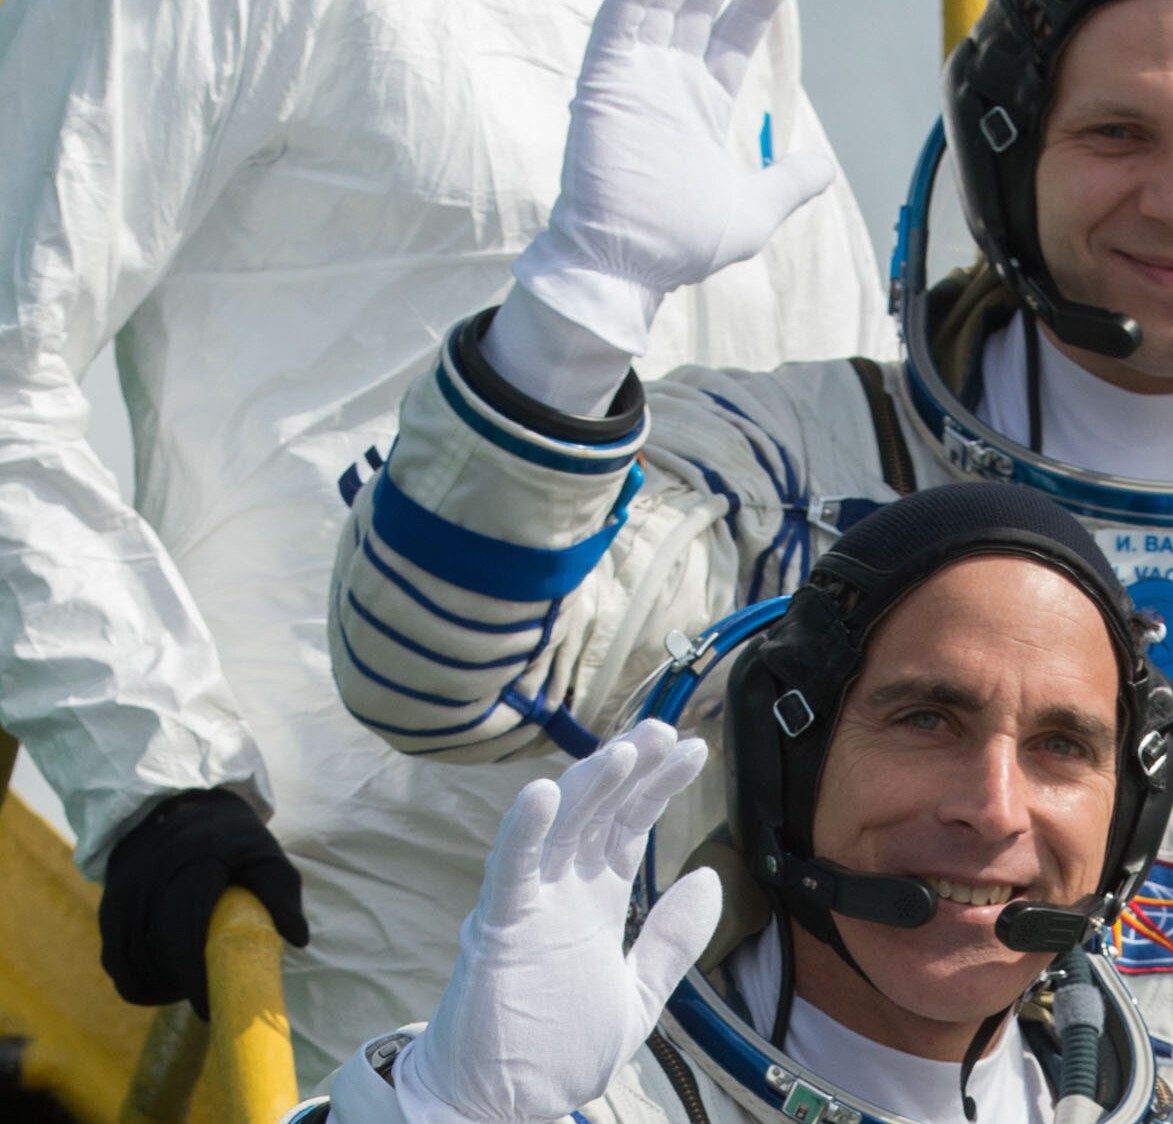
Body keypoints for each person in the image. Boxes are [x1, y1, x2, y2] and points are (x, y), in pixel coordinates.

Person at [331, 0, 1173, 1120]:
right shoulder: (786, 470)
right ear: (1006, 155)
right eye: (1116, 133)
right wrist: (581, 302)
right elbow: (431, 674)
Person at [0, 0, 893, 1081]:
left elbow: (857, 461)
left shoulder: (744, 32)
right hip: (350, 902)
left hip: (740, 934)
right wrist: (154, 778)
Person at [288, 483, 1173, 1124]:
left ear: (1128, 815)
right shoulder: (539, 1089)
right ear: (788, 762)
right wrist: (451, 1111)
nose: (996, 808)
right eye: (928, 720)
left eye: (1062, 746)